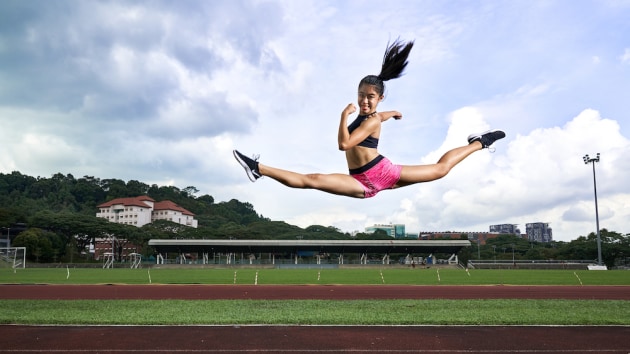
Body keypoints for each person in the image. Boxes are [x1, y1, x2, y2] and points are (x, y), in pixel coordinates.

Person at [233, 39, 505, 199]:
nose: (364, 100)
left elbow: (345, 144)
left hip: (383, 173)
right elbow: (379, 117)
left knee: (440, 169)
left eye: (370, 97)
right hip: (360, 181)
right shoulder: (376, 116)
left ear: (379, 98)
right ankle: (258, 168)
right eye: (361, 95)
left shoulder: (370, 121)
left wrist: (343, 116)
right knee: (311, 179)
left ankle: (479, 142)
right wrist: (393, 113)